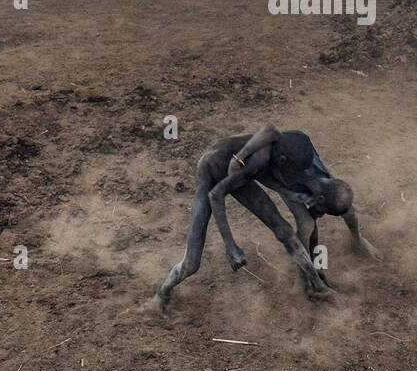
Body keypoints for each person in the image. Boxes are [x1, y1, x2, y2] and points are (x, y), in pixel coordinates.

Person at [155, 124, 378, 308]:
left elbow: (271, 137)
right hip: (215, 173)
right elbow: (216, 194)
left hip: (242, 170)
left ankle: (318, 287)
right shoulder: (261, 160)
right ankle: (162, 293)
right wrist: (230, 246)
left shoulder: (291, 148)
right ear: (284, 160)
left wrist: (292, 193)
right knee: (192, 262)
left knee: (284, 230)